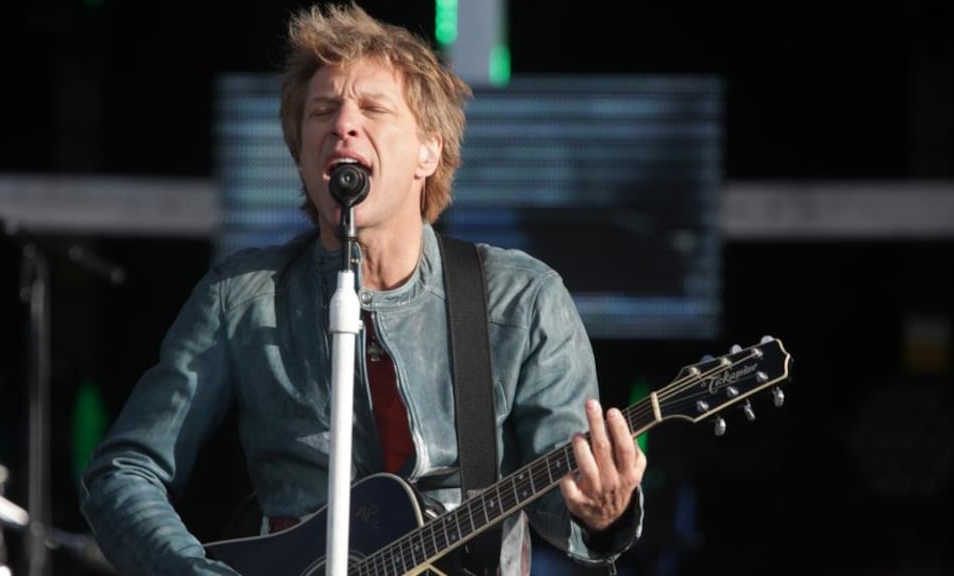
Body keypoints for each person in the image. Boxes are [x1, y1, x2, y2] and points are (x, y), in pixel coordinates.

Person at [78, 3, 646, 574]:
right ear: (301, 156)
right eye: (322, 111)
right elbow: (124, 473)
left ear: (430, 151)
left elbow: (566, 509)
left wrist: (603, 513)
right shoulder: (241, 297)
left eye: (373, 108)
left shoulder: (521, 300)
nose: (343, 124)